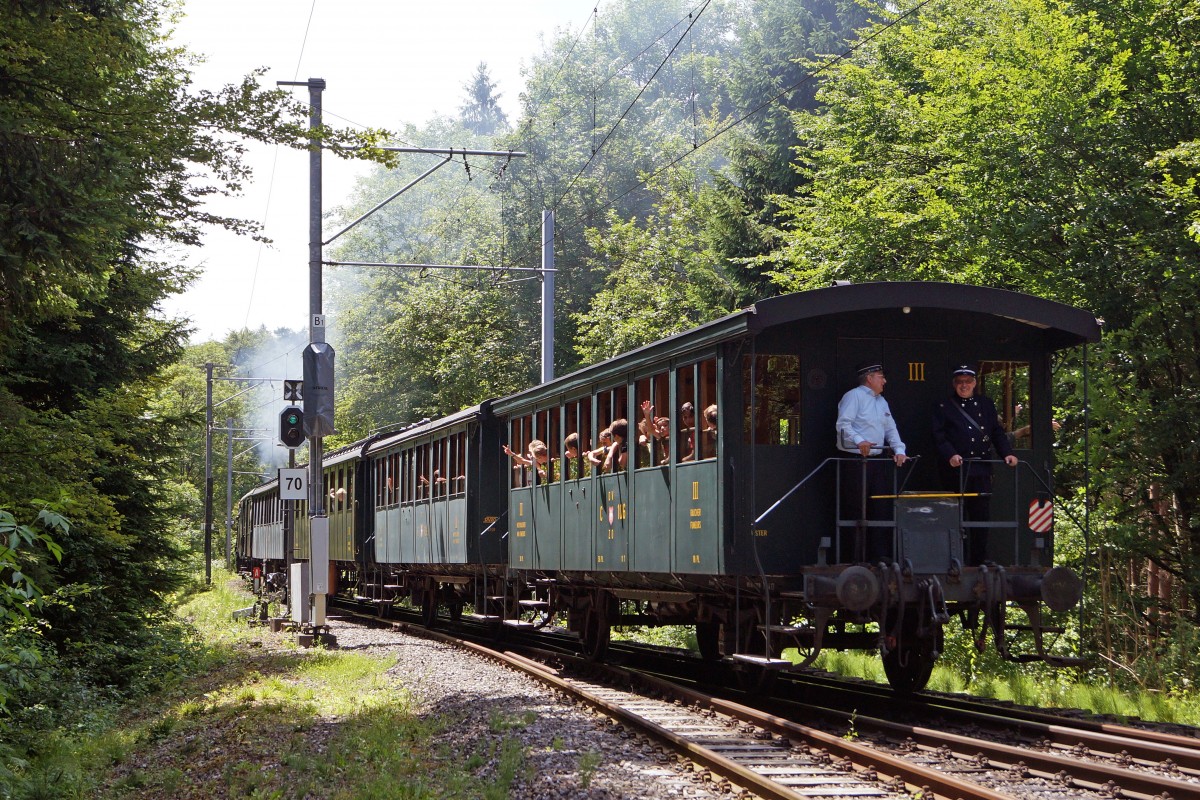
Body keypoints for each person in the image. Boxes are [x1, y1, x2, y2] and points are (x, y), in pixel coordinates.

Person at [931, 365, 1017, 565]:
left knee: (980, 515)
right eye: (960, 382)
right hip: (955, 470)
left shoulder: (985, 404)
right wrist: (950, 454)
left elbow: (996, 432)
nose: (964, 385)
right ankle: (954, 559)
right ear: (954, 384)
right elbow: (939, 436)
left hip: (981, 468)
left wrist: (1008, 454)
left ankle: (979, 559)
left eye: (968, 382)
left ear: (974, 383)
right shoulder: (944, 406)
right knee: (954, 516)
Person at [835, 362, 908, 562]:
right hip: (855, 461)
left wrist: (899, 449)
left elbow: (891, 429)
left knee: (880, 508)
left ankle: (878, 556)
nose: (884, 381)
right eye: (881, 376)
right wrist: (859, 442)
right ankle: (853, 558)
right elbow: (843, 424)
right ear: (870, 378)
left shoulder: (882, 401)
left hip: (877, 461)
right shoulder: (854, 396)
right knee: (855, 509)